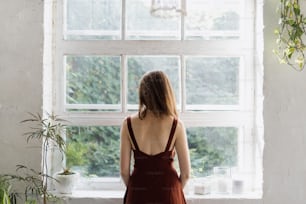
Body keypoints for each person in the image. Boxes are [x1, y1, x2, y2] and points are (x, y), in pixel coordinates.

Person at [120, 70, 191, 204]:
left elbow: (124, 172)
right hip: (169, 193)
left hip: (138, 193)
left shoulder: (128, 124)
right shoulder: (176, 125)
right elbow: (186, 174)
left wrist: (137, 191)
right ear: (165, 93)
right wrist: (172, 191)